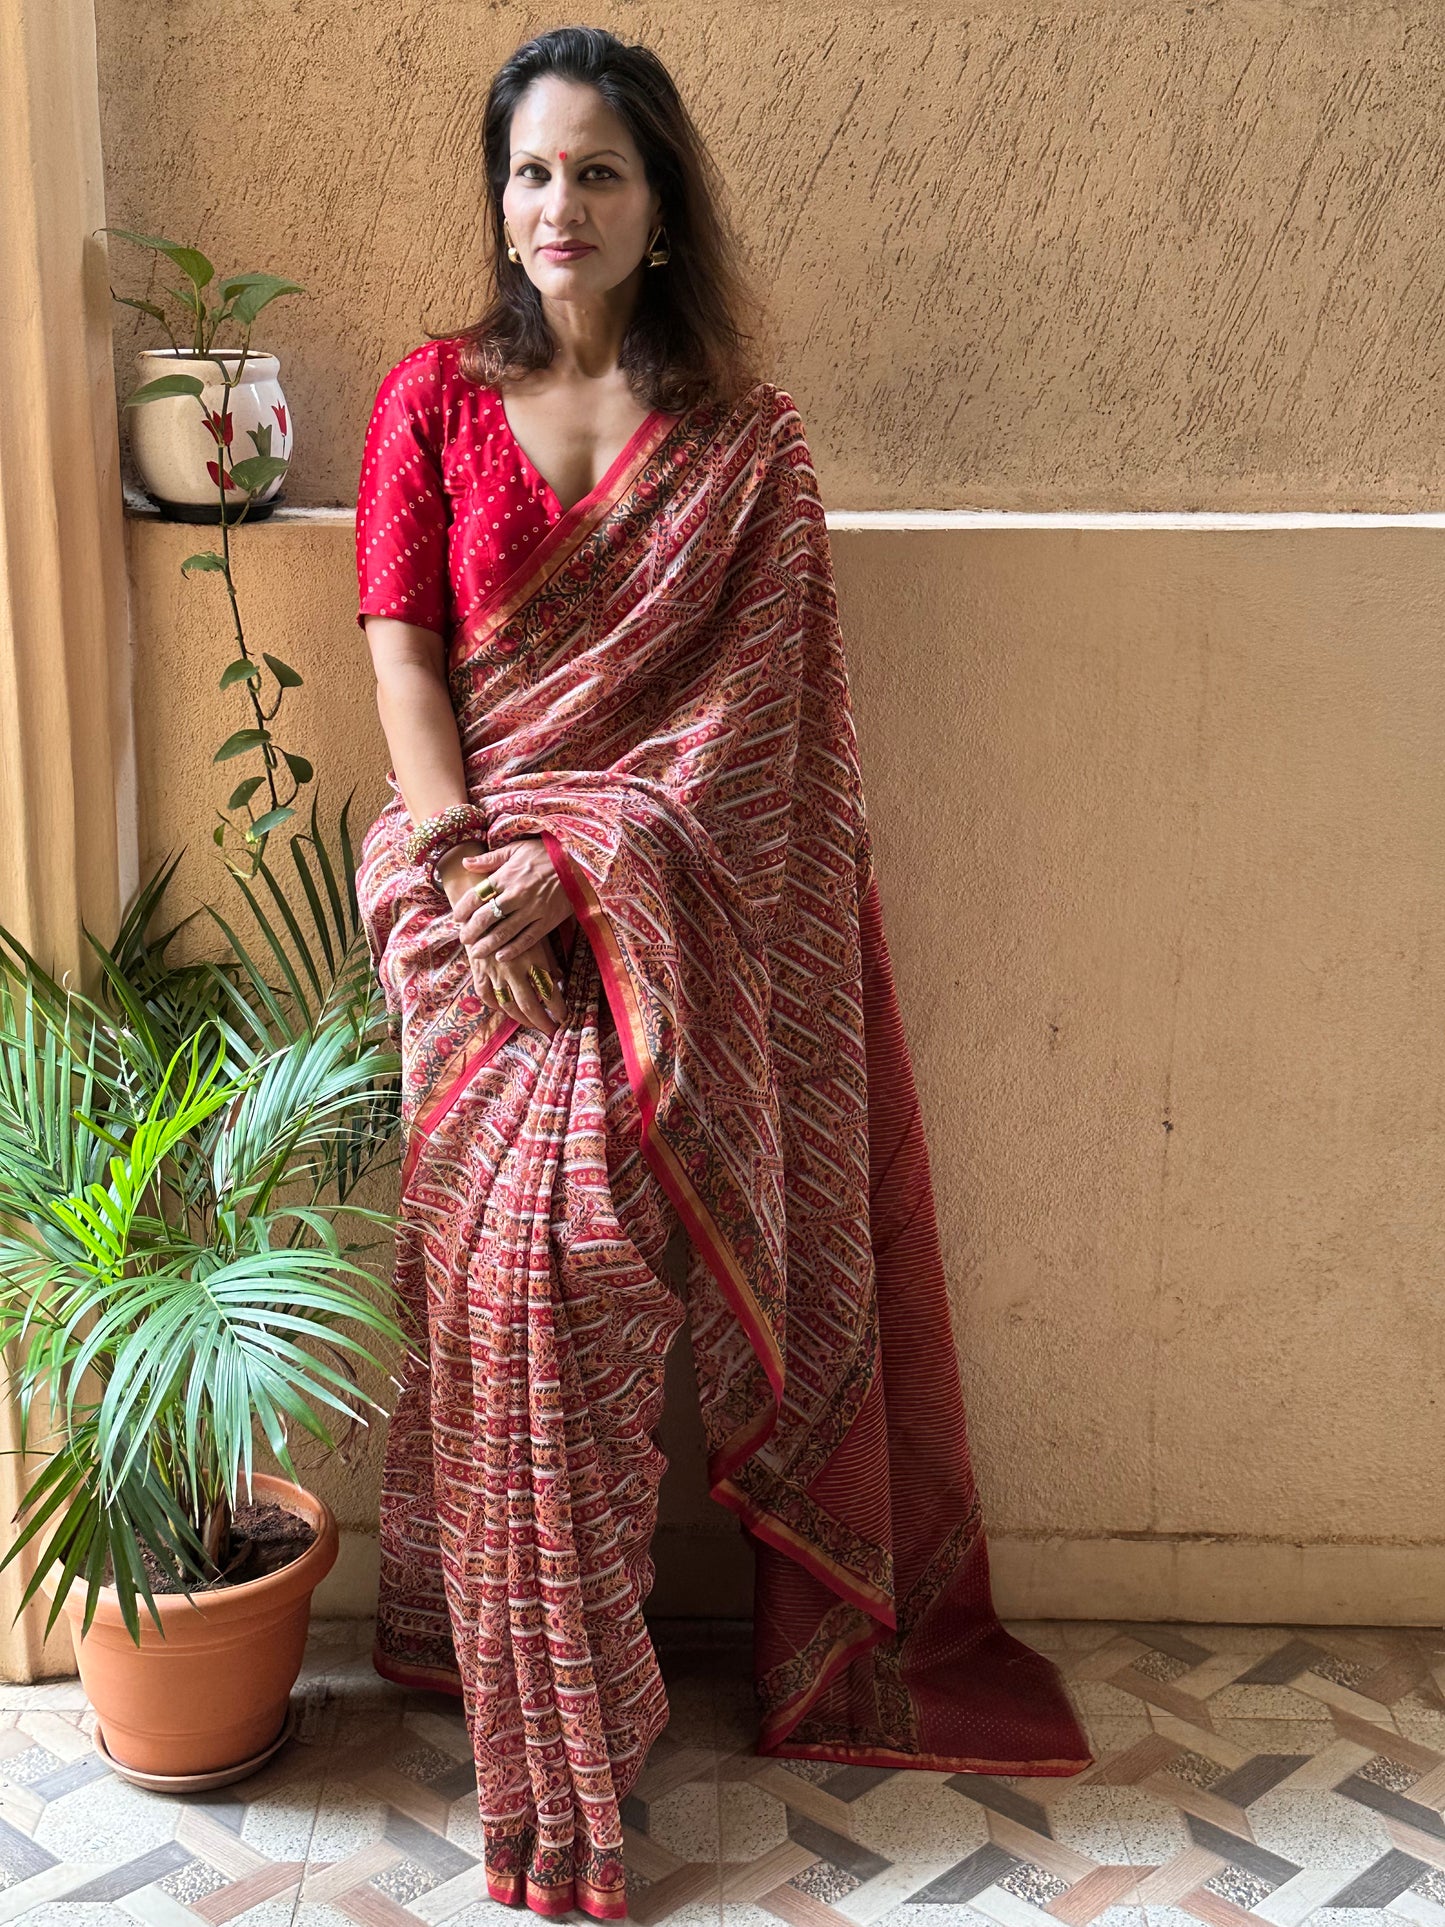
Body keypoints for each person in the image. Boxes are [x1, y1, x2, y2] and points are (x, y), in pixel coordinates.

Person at [355, 25, 1090, 1920]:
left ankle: (570, 1711)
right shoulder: (427, 399)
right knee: (489, 1266)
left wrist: (582, 874)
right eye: (529, 172)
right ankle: (523, 1699)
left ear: (662, 206)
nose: (557, 207)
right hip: (460, 900)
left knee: (580, 1258)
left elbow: (753, 745)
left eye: (596, 173)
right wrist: (471, 866)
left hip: (650, 929)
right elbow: (405, 661)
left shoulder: (747, 445)